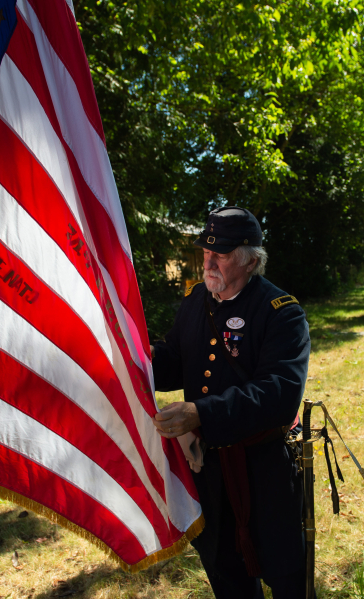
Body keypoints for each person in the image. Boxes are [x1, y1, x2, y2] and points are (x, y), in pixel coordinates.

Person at [150, 206, 310, 598]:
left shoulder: (281, 313)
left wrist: (200, 413)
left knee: (287, 577)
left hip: (265, 468)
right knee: (226, 574)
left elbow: (279, 392)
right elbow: (174, 361)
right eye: (206, 252)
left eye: (220, 254)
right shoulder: (194, 302)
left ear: (252, 260)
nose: (209, 262)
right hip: (208, 468)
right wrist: (133, 358)